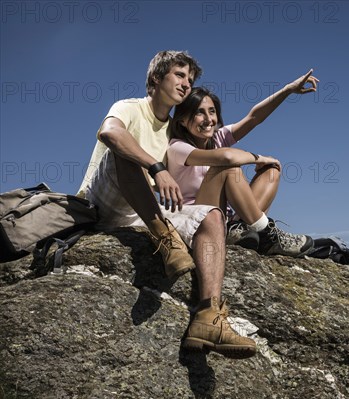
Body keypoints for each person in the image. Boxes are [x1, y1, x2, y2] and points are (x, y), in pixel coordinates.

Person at [78, 50, 256, 359]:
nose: (187, 84)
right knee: (124, 146)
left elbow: (240, 127)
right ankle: (166, 237)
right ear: (155, 79)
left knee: (210, 216)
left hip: (140, 213)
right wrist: (156, 167)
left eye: (190, 78)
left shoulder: (174, 129)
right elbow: (110, 133)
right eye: (179, 75)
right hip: (104, 203)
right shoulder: (130, 107)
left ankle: (208, 316)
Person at [166, 70, 319, 259]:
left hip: (230, 221)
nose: (208, 120)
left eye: (212, 111)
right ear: (182, 120)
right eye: (199, 113)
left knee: (271, 171)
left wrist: (287, 90)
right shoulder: (177, 148)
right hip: (199, 220)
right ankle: (268, 233)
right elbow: (227, 158)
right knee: (228, 170)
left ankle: (244, 229)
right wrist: (258, 157)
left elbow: (254, 118)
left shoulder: (218, 137)